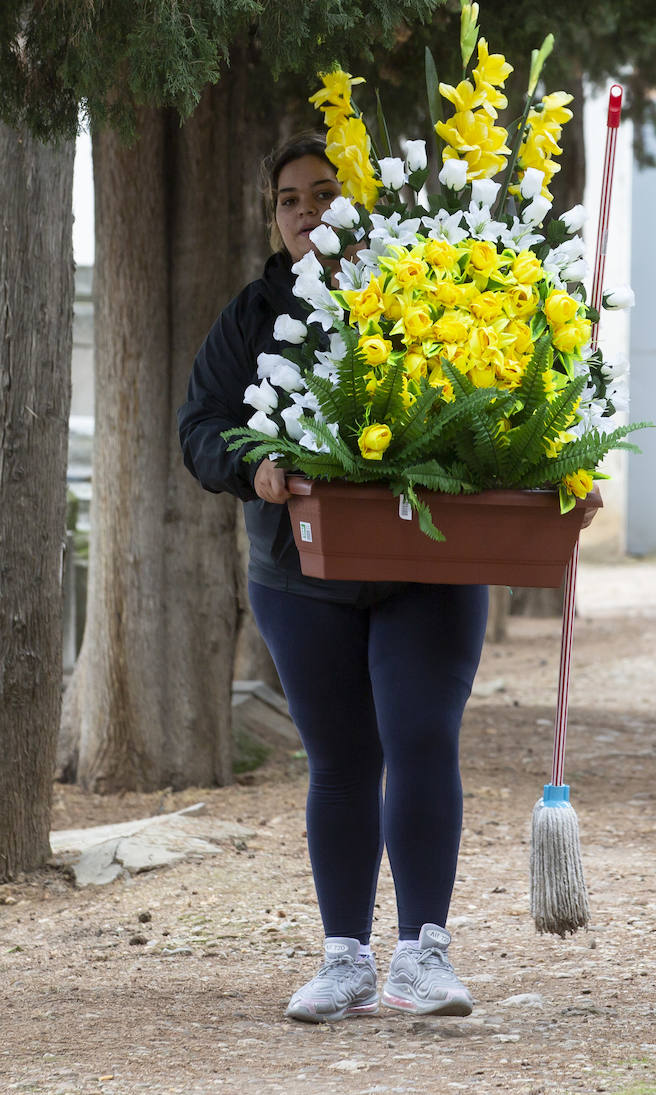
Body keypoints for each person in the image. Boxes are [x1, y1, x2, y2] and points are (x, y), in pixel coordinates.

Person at [178, 134, 489, 1021]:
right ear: (273, 217)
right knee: (342, 761)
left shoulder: (434, 290)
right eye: (290, 199)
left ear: (366, 206)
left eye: (325, 193)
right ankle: (346, 957)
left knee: (422, 737)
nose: (308, 210)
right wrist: (255, 464)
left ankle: (425, 955)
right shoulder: (251, 314)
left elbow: (509, 405)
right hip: (299, 572)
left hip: (429, 562)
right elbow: (202, 424)